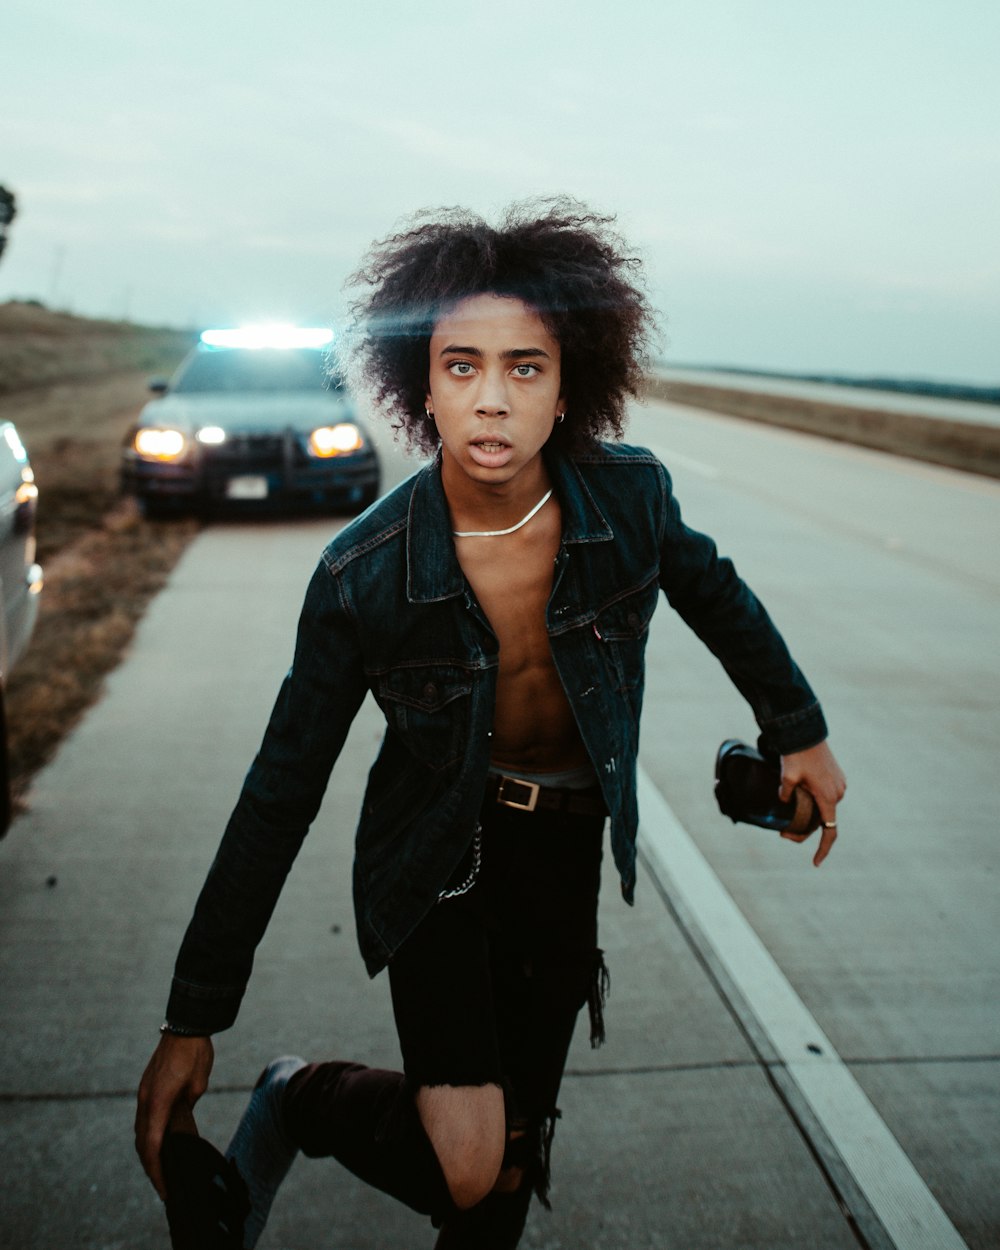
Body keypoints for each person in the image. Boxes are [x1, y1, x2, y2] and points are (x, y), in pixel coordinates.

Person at [135, 199, 846, 1249]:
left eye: (526, 367)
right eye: (461, 365)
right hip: (435, 857)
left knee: (503, 1181)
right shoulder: (362, 575)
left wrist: (799, 727)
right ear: (421, 385)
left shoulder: (629, 501)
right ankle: (298, 1096)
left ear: (569, 390)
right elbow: (278, 789)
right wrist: (195, 1012)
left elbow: (720, 595)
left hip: (559, 852)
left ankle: (345, 1118)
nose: (493, 398)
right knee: (470, 1163)